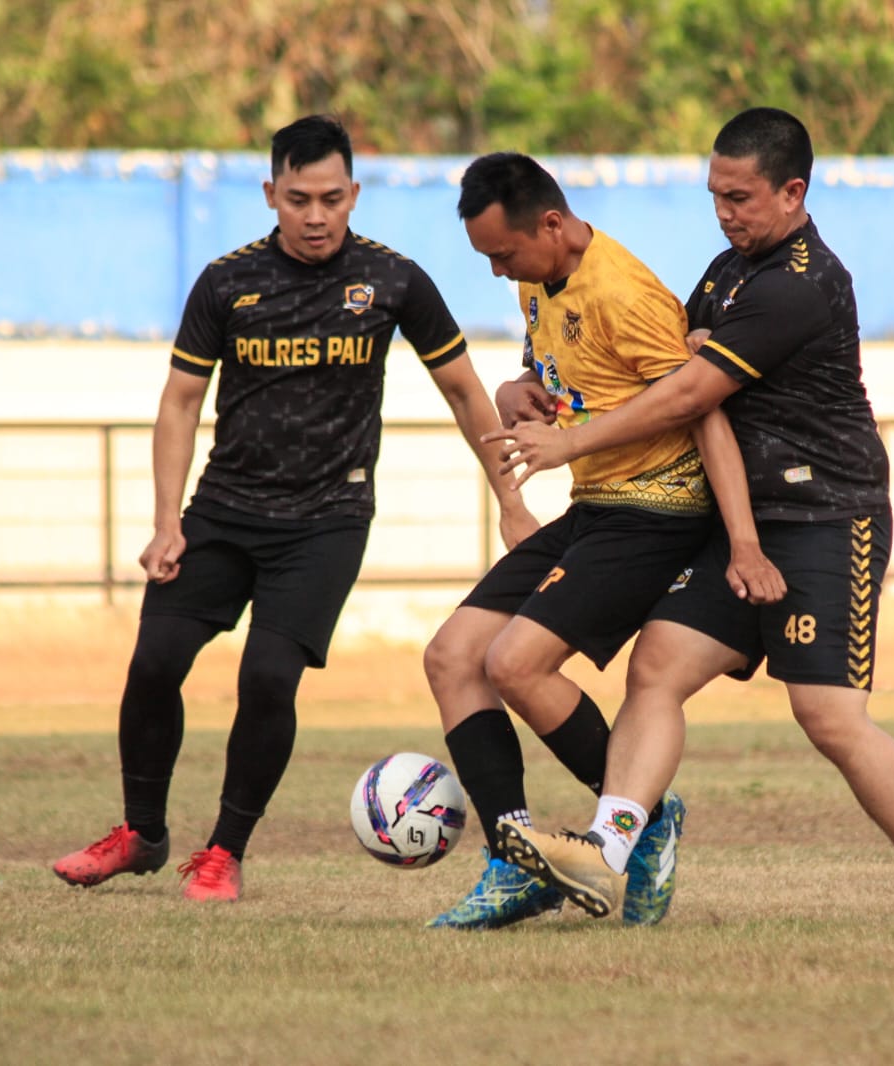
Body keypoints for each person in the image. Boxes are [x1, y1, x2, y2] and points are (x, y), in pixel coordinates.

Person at [485, 107, 894, 929]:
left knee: (827, 716)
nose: (725, 212)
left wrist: (569, 441)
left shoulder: (802, 282)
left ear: (793, 193)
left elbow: (687, 393)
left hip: (828, 516)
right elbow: (662, 370)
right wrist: (526, 386)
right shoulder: (727, 272)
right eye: (715, 194)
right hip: (742, 524)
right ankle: (609, 853)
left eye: (742, 197)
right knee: (657, 667)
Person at [51, 114, 537, 902]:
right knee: (153, 664)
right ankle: (140, 834)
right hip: (222, 512)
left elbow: (462, 391)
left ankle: (223, 853)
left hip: (326, 521)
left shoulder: (394, 280)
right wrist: (167, 521)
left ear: (353, 195)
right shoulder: (225, 282)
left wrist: (511, 505)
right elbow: (179, 403)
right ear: (271, 193)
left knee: (268, 678)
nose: (316, 216)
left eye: (332, 198)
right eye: (300, 198)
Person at [424, 151, 782, 930]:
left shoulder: (625, 293)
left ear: (551, 224)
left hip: (658, 511)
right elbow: (546, 379)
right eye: (486, 258)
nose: (497, 273)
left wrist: (744, 541)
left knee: (512, 663)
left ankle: (640, 817)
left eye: (504, 254)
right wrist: (517, 393)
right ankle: (511, 856)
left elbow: (701, 411)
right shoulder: (536, 277)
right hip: (595, 507)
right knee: (452, 656)